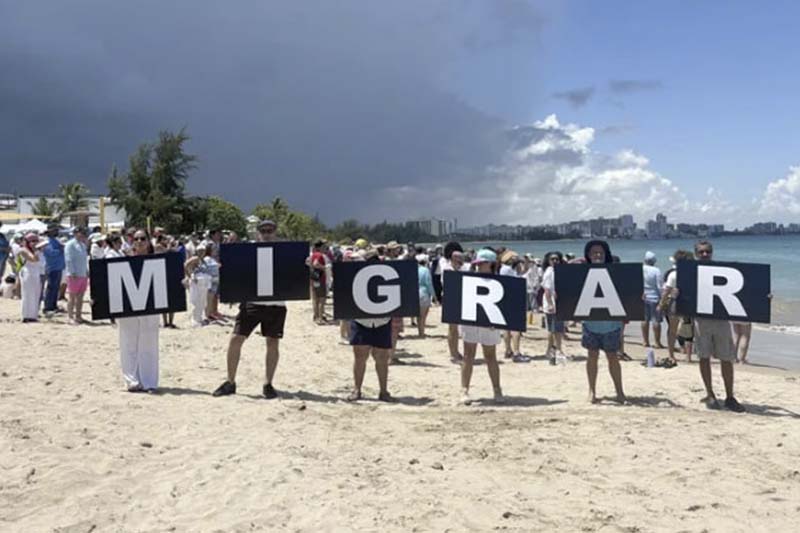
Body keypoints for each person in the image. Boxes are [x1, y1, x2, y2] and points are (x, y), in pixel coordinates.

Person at [213, 219, 287, 399]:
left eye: (270, 230)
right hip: (252, 303)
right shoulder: (248, 252)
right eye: (264, 230)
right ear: (258, 233)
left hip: (276, 304)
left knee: (272, 342)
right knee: (236, 338)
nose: (267, 233)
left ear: (275, 232)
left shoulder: (284, 252)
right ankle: (230, 381)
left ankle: (268, 383)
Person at [685, 240, 745, 412]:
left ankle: (730, 396)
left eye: (708, 251)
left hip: (721, 320)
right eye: (701, 252)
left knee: (726, 358)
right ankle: (710, 394)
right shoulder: (690, 273)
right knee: (704, 357)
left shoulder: (722, 271)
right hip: (701, 320)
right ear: (696, 254)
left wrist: (761, 297)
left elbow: (742, 290)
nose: (705, 254)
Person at [115, 229, 161, 392]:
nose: (139, 241)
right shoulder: (123, 262)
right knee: (128, 342)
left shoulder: (158, 261)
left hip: (151, 305)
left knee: (149, 343)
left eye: (142, 238)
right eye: (136, 239)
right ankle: (131, 380)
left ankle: (149, 382)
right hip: (128, 306)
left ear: (148, 241)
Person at [346, 250, 394, 402]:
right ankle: (357, 389)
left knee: (382, 358)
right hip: (361, 320)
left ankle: (383, 391)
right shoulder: (355, 276)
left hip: (382, 321)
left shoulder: (387, 275)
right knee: (360, 357)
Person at [581, 241, 626, 404]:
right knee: (592, 356)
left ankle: (620, 391)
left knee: (612, 357)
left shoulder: (615, 272)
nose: (597, 255)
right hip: (590, 324)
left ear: (606, 254)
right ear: (588, 255)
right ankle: (592, 391)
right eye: (594, 253)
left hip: (611, 325)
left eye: (600, 252)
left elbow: (627, 292)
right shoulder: (581, 272)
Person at [460, 249, 504, 405]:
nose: (479, 267)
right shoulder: (469, 279)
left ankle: (497, 389)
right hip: (470, 321)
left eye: (482, 263)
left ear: (491, 264)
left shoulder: (500, 282)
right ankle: (464, 389)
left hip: (490, 323)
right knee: (468, 355)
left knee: (490, 356)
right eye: (477, 264)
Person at [441, 244, 469, 363]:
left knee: (458, 328)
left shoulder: (464, 268)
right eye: (457, 258)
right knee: (452, 328)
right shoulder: (446, 268)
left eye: (460, 258)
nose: (459, 260)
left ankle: (456, 351)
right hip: (450, 299)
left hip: (461, 298)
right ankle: (453, 353)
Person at [541, 251, 566, 364]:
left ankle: (556, 350)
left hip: (559, 303)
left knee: (558, 329)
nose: (555, 261)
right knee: (553, 329)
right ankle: (553, 350)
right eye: (552, 259)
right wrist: (550, 304)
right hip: (551, 304)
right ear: (548, 261)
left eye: (557, 259)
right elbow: (547, 290)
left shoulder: (559, 271)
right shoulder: (549, 272)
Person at [499, 251, 523, 361]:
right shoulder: (508, 269)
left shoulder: (504, 269)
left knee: (506, 327)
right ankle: (516, 351)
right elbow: (518, 280)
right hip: (512, 298)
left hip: (505, 299)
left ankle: (508, 350)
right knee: (515, 327)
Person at [64, 227, 89, 325]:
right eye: (80, 232)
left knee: (80, 297)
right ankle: (70, 316)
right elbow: (68, 259)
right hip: (74, 274)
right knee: (72, 297)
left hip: (83, 273)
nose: (82, 234)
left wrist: (86, 271)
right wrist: (72, 271)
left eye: (83, 233)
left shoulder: (83, 245)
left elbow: (84, 259)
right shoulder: (70, 244)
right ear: (75, 233)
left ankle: (78, 315)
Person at [184, 243, 213, 327]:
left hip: (203, 282)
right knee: (196, 301)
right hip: (196, 282)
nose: (202, 252)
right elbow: (185, 265)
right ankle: (195, 319)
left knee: (202, 301)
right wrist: (190, 276)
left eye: (203, 251)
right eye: (200, 251)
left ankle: (199, 318)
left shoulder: (203, 259)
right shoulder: (195, 258)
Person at [41, 223, 65, 317]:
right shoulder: (46, 241)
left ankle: (53, 306)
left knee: (56, 288)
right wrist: (60, 250)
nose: (57, 232)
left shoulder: (56, 240)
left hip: (58, 267)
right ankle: (48, 307)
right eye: (55, 230)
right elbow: (49, 252)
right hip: (52, 267)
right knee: (51, 288)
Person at [641, 251, 664, 348]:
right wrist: (662, 297)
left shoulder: (641, 268)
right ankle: (657, 342)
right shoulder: (656, 270)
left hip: (643, 297)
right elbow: (659, 286)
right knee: (656, 321)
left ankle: (645, 341)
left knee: (644, 320)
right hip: (654, 297)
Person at [19, 233, 43, 322]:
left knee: (36, 293)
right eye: (32, 241)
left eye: (36, 241)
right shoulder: (23, 250)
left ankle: (33, 315)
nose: (34, 243)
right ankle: (26, 315)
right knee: (27, 294)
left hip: (36, 272)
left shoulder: (36, 251)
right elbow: (33, 259)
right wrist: (36, 250)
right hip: (27, 272)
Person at [310, 240, 328, 324]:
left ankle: (316, 316)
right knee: (322, 299)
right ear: (320, 247)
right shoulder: (320, 255)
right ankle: (320, 318)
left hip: (314, 279)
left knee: (315, 299)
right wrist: (324, 267)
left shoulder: (313, 254)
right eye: (323, 246)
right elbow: (316, 263)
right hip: (320, 279)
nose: (324, 248)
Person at [416, 253, 434, 336]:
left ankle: (420, 331)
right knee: (423, 315)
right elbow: (429, 284)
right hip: (424, 293)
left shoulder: (415, 269)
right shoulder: (426, 270)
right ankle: (422, 332)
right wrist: (434, 296)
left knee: (418, 315)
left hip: (415, 293)